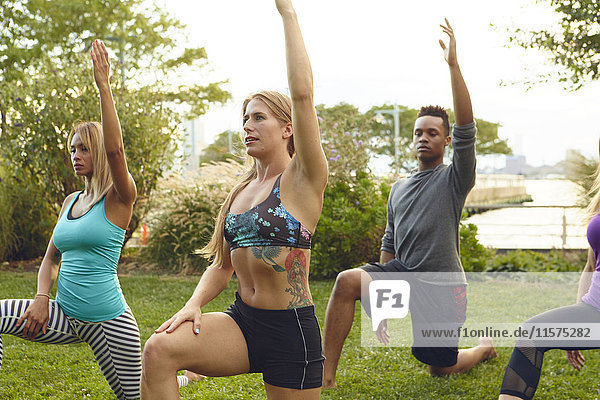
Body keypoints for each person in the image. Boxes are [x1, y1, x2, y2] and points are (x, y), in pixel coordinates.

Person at [140, 1, 328, 399]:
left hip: (290, 331)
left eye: (259, 117)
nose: (248, 125)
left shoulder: (301, 180)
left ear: (287, 128)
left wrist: (288, 15)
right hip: (242, 323)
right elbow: (222, 265)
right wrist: (194, 303)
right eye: (245, 118)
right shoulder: (239, 192)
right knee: (159, 348)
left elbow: (304, 94)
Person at [322, 19, 497, 388]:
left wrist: (453, 65)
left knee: (439, 368)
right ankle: (326, 377)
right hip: (404, 274)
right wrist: (381, 308)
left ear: (446, 141)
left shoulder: (454, 178)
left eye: (433, 133)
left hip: (442, 286)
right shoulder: (398, 188)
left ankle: (483, 349)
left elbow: (467, 128)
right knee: (346, 282)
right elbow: (389, 246)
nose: (423, 138)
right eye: (419, 132)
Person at [0, 40, 140, 399]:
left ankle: (179, 380)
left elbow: (116, 150)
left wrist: (103, 87)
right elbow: (50, 259)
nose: (76, 155)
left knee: (137, 396)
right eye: (73, 149)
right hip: (62, 315)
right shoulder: (70, 201)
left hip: (109, 323)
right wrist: (41, 297)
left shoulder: (120, 197)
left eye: (84, 148)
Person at [498, 168, 600, 399]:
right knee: (530, 333)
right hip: (594, 310)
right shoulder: (599, 202)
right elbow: (591, 265)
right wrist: (576, 322)